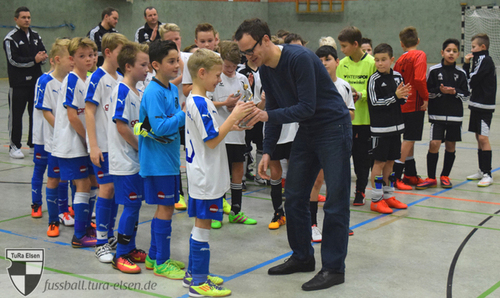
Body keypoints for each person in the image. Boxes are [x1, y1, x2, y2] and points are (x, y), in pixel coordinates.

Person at [236, 18, 352, 291]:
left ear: (265, 40)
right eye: (244, 54)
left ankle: (334, 268)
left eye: (251, 50)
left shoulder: (298, 58)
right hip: (308, 131)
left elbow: (307, 107)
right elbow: (275, 110)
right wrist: (268, 150)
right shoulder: (265, 69)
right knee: (295, 197)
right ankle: (302, 257)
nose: (249, 57)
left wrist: (265, 114)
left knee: (335, 201)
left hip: (333, 128)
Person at [184, 48, 253, 297]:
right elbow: (211, 140)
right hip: (205, 176)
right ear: (201, 73)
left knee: (201, 225)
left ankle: (193, 273)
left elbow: (212, 130)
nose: (219, 80)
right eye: (216, 75)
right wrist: (233, 114)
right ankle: (198, 283)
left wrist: (233, 122)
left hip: (205, 174)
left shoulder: (200, 100)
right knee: (203, 227)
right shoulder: (200, 102)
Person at [137, 40, 186, 279]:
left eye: (177, 60)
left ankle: (154, 256)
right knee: (166, 209)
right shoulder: (154, 91)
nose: (177, 65)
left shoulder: (170, 89)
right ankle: (162, 263)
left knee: (165, 208)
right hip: (157, 163)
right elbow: (160, 126)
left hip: (169, 161)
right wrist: (182, 116)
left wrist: (177, 116)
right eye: (171, 61)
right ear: (156, 64)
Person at [85, 33, 128, 263]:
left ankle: (109, 235)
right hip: (103, 146)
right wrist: (93, 145)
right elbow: (89, 111)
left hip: (118, 146)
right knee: (106, 188)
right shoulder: (97, 77)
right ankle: (101, 242)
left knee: (113, 191)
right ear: (109, 52)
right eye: (122, 52)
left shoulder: (121, 77)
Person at [52, 37, 98, 248]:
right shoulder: (71, 80)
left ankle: (86, 224)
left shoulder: (87, 79)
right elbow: (72, 116)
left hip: (82, 143)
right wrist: (89, 140)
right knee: (82, 185)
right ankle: (79, 235)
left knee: (92, 183)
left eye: (91, 55)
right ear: (72, 59)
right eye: (82, 56)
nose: (88, 59)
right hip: (71, 144)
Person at [108, 42, 149, 274]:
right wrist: (141, 149)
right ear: (128, 66)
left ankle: (130, 247)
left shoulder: (138, 91)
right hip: (125, 160)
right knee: (131, 206)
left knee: (135, 205)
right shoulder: (121, 90)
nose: (147, 69)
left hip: (136, 159)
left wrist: (149, 140)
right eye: (143, 65)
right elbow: (122, 127)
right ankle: (120, 255)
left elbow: (137, 126)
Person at [211, 41, 259, 229]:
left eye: (233, 66)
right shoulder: (215, 78)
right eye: (227, 66)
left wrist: (244, 108)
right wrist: (226, 104)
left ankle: (236, 211)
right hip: (220, 132)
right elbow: (206, 102)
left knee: (238, 170)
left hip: (238, 134)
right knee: (220, 172)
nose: (230, 69)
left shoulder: (242, 79)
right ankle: (216, 213)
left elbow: (250, 101)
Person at [313, 45, 355, 239]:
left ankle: (336, 224)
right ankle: (312, 224)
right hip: (316, 139)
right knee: (316, 182)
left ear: (337, 62)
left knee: (335, 184)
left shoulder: (344, 86)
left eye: (327, 59)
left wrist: (336, 116)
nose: (323, 64)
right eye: (319, 60)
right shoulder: (311, 85)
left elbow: (352, 113)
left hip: (337, 141)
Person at [416, 39, 470, 190]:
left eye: (454, 51)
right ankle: (431, 177)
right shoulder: (433, 70)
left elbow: (466, 95)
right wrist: (440, 91)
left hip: (455, 116)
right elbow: (426, 93)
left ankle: (445, 176)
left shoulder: (461, 73)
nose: (451, 53)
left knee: (451, 146)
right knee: (434, 144)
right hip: (437, 116)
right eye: (448, 50)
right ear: (442, 52)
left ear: (458, 54)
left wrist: (455, 92)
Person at [35, 39, 74, 236]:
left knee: (71, 178)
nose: (74, 61)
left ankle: (65, 211)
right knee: (53, 178)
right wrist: (62, 130)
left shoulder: (72, 80)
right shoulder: (45, 82)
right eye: (71, 58)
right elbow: (46, 111)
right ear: (57, 59)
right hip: (54, 142)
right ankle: (52, 221)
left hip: (72, 141)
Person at [367, 43, 410, 214]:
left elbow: (402, 99)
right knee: (379, 163)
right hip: (380, 130)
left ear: (392, 60)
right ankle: (376, 199)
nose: (380, 63)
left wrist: (403, 97)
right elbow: (374, 102)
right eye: (377, 60)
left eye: (383, 60)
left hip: (396, 128)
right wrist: (395, 97)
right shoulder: (374, 80)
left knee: (391, 162)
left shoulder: (398, 77)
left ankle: (388, 195)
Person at [336, 26, 376, 206]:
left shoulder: (372, 63)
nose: (342, 50)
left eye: (344, 46)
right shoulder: (342, 64)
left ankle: (360, 191)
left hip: (364, 120)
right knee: (343, 159)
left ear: (355, 44)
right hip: (345, 120)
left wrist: (360, 95)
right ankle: (341, 192)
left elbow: (375, 90)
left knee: (362, 160)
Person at [3, 6, 47, 159]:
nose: (27, 20)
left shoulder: (35, 35)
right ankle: (14, 146)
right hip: (19, 84)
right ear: (16, 19)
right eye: (23, 17)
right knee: (16, 116)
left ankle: (33, 143)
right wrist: (34, 60)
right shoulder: (10, 39)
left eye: (28, 17)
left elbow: (42, 52)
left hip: (35, 83)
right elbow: (14, 61)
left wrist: (41, 58)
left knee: (35, 114)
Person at [392, 27, 429, 190]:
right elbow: (420, 79)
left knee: (409, 139)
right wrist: (426, 97)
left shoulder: (399, 60)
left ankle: (410, 174)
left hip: (402, 103)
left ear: (401, 44)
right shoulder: (420, 55)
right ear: (418, 41)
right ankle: (395, 176)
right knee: (409, 139)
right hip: (414, 103)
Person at [159, 23, 191, 210]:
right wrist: (184, 76)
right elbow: (164, 83)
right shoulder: (161, 61)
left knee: (192, 155)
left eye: (177, 39)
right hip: (171, 114)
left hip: (188, 113)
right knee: (173, 158)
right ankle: (177, 193)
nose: (174, 43)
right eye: (170, 40)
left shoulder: (188, 59)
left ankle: (194, 193)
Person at [464, 33, 497, 187]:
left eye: (474, 46)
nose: (472, 50)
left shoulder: (485, 60)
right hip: (476, 104)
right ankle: (482, 170)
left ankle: (488, 173)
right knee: (478, 137)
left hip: (484, 106)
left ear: (482, 47)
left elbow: (472, 78)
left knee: (483, 138)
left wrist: (465, 66)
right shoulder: (478, 59)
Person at [182, 23, 219, 98]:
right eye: (202, 41)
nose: (207, 45)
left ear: (215, 40)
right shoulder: (190, 61)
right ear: (196, 42)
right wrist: (203, 82)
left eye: (210, 40)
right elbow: (185, 91)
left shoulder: (220, 59)